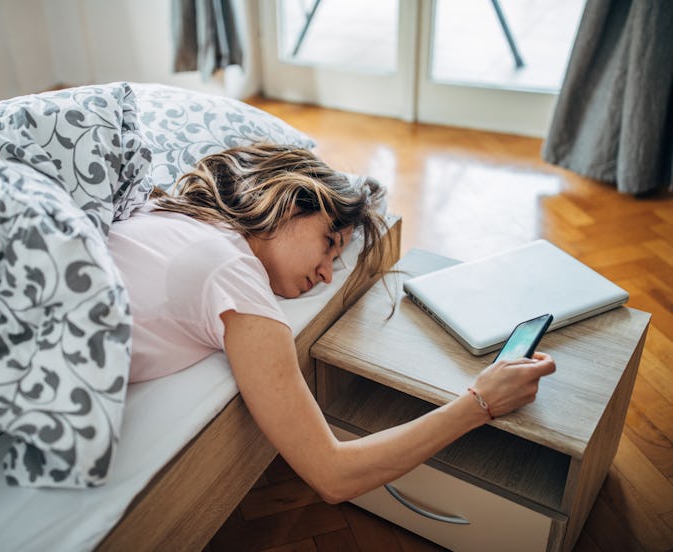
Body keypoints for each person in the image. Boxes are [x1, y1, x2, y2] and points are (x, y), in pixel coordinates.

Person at [108, 142, 556, 503]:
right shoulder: (231, 274)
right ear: (288, 202)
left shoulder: (165, 213)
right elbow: (334, 475)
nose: (326, 273)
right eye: (329, 243)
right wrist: (480, 403)